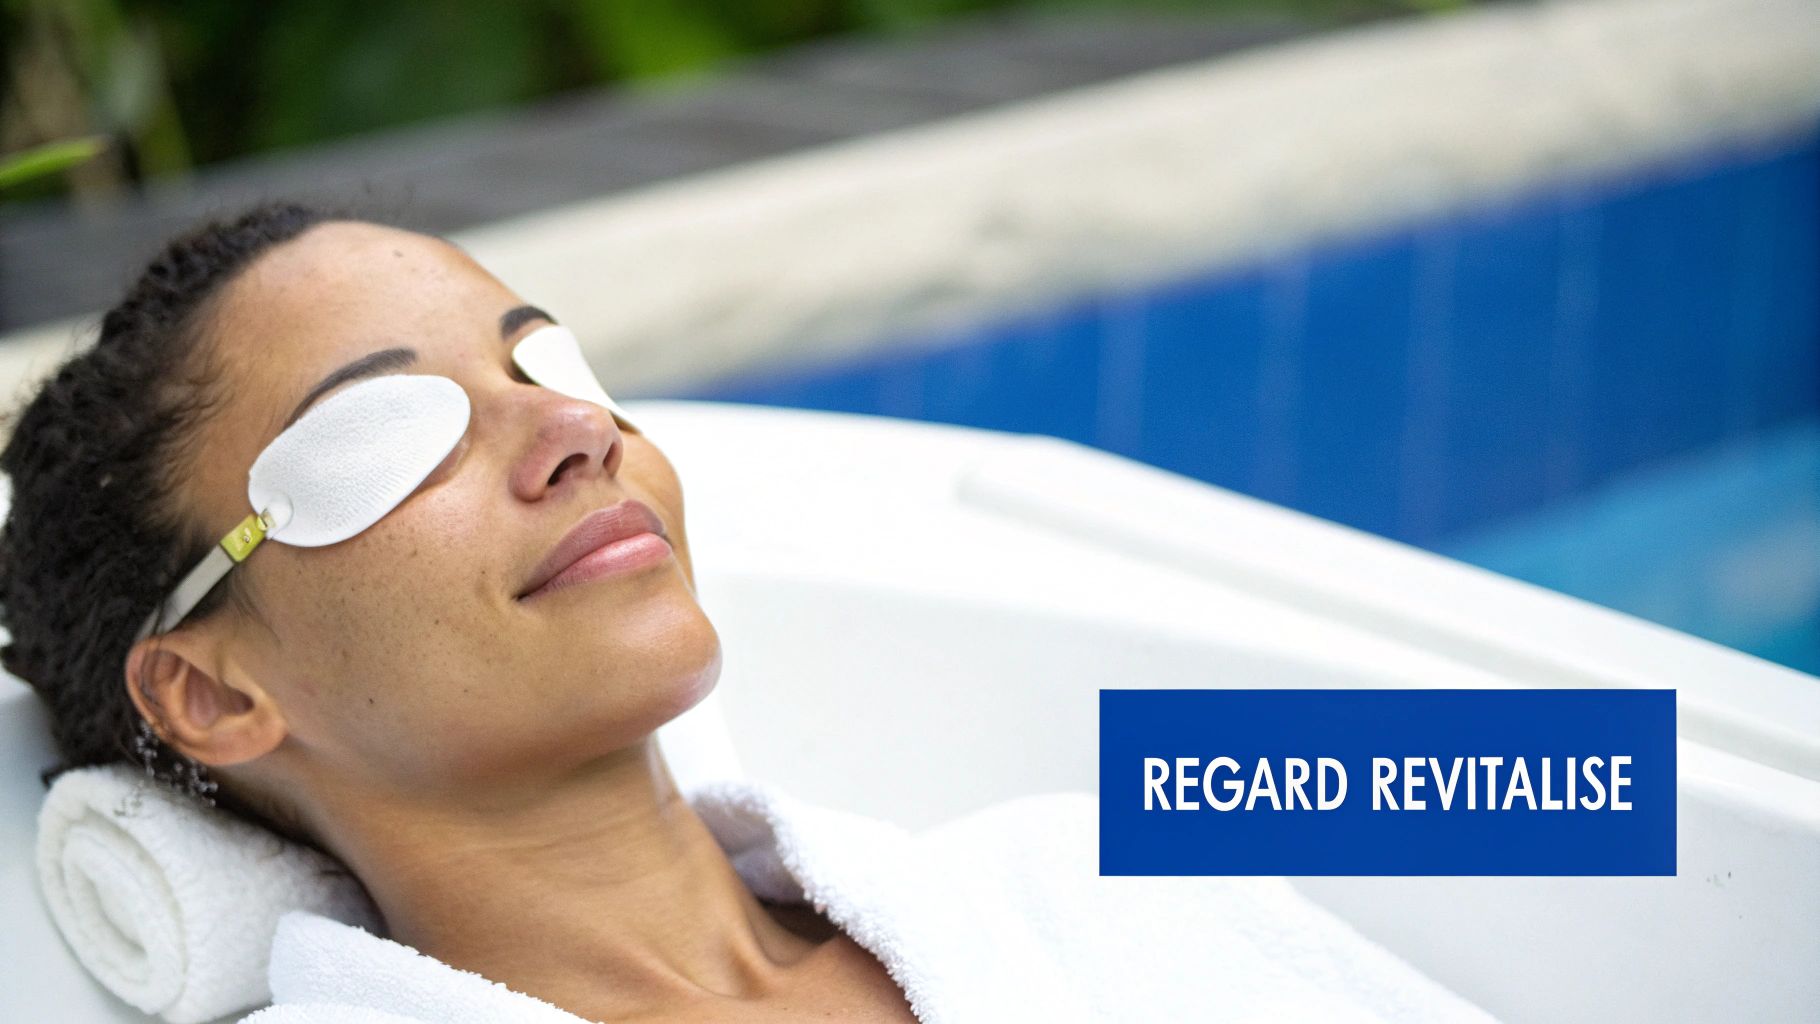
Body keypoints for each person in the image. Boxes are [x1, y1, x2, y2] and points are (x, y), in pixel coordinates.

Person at [0, 201, 1499, 1024]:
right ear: (213, 692)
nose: (574, 432)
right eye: (384, 435)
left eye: (547, 362)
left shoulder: (1085, 892)